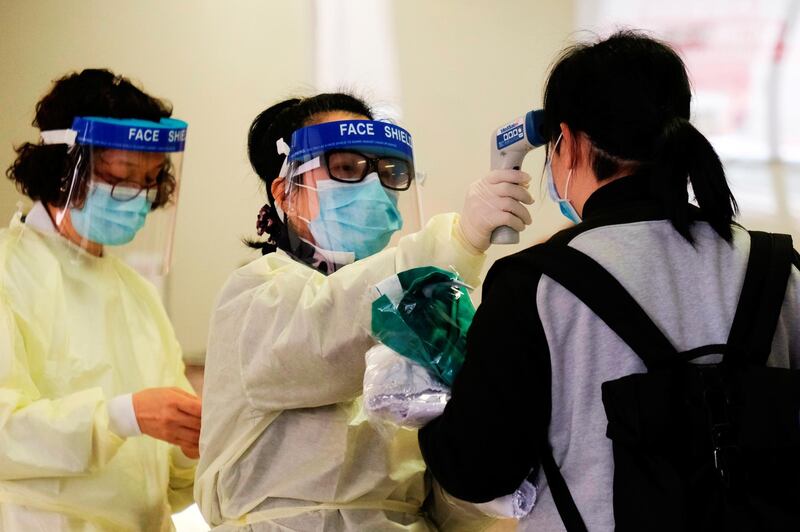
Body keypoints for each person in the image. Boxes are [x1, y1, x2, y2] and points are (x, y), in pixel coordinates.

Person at [418, 31, 800, 531]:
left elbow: (476, 470)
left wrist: (426, 401)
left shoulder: (536, 285)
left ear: (570, 143)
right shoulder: (779, 268)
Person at [195, 93, 534, 530]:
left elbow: (445, 488)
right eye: (346, 168)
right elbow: (326, 334)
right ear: (287, 192)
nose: (374, 186)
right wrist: (456, 241)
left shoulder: (409, 307)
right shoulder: (257, 294)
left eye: (388, 171)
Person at [0, 69, 201, 531]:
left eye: (150, 180)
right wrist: (121, 415)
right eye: (121, 177)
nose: (138, 197)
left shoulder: (138, 296)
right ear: (62, 167)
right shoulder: (9, 274)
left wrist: (193, 447)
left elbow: (166, 484)